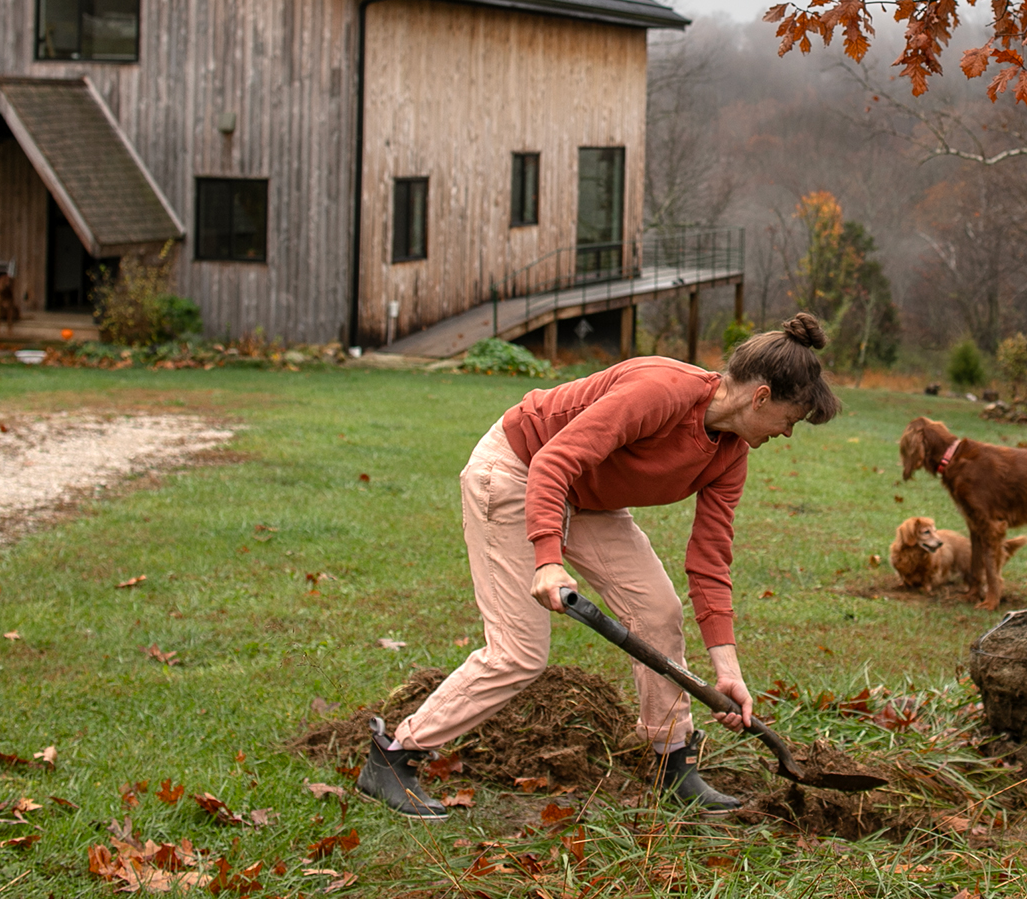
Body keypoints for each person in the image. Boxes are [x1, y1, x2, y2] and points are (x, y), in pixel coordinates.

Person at [357, 313, 840, 819]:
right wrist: (547, 559)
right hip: (518, 469)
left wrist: (728, 670)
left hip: (588, 496)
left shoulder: (730, 454)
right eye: (790, 419)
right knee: (519, 652)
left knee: (657, 612)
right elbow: (553, 462)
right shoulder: (661, 390)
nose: (788, 433)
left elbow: (710, 559)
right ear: (760, 397)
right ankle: (396, 755)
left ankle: (671, 761)